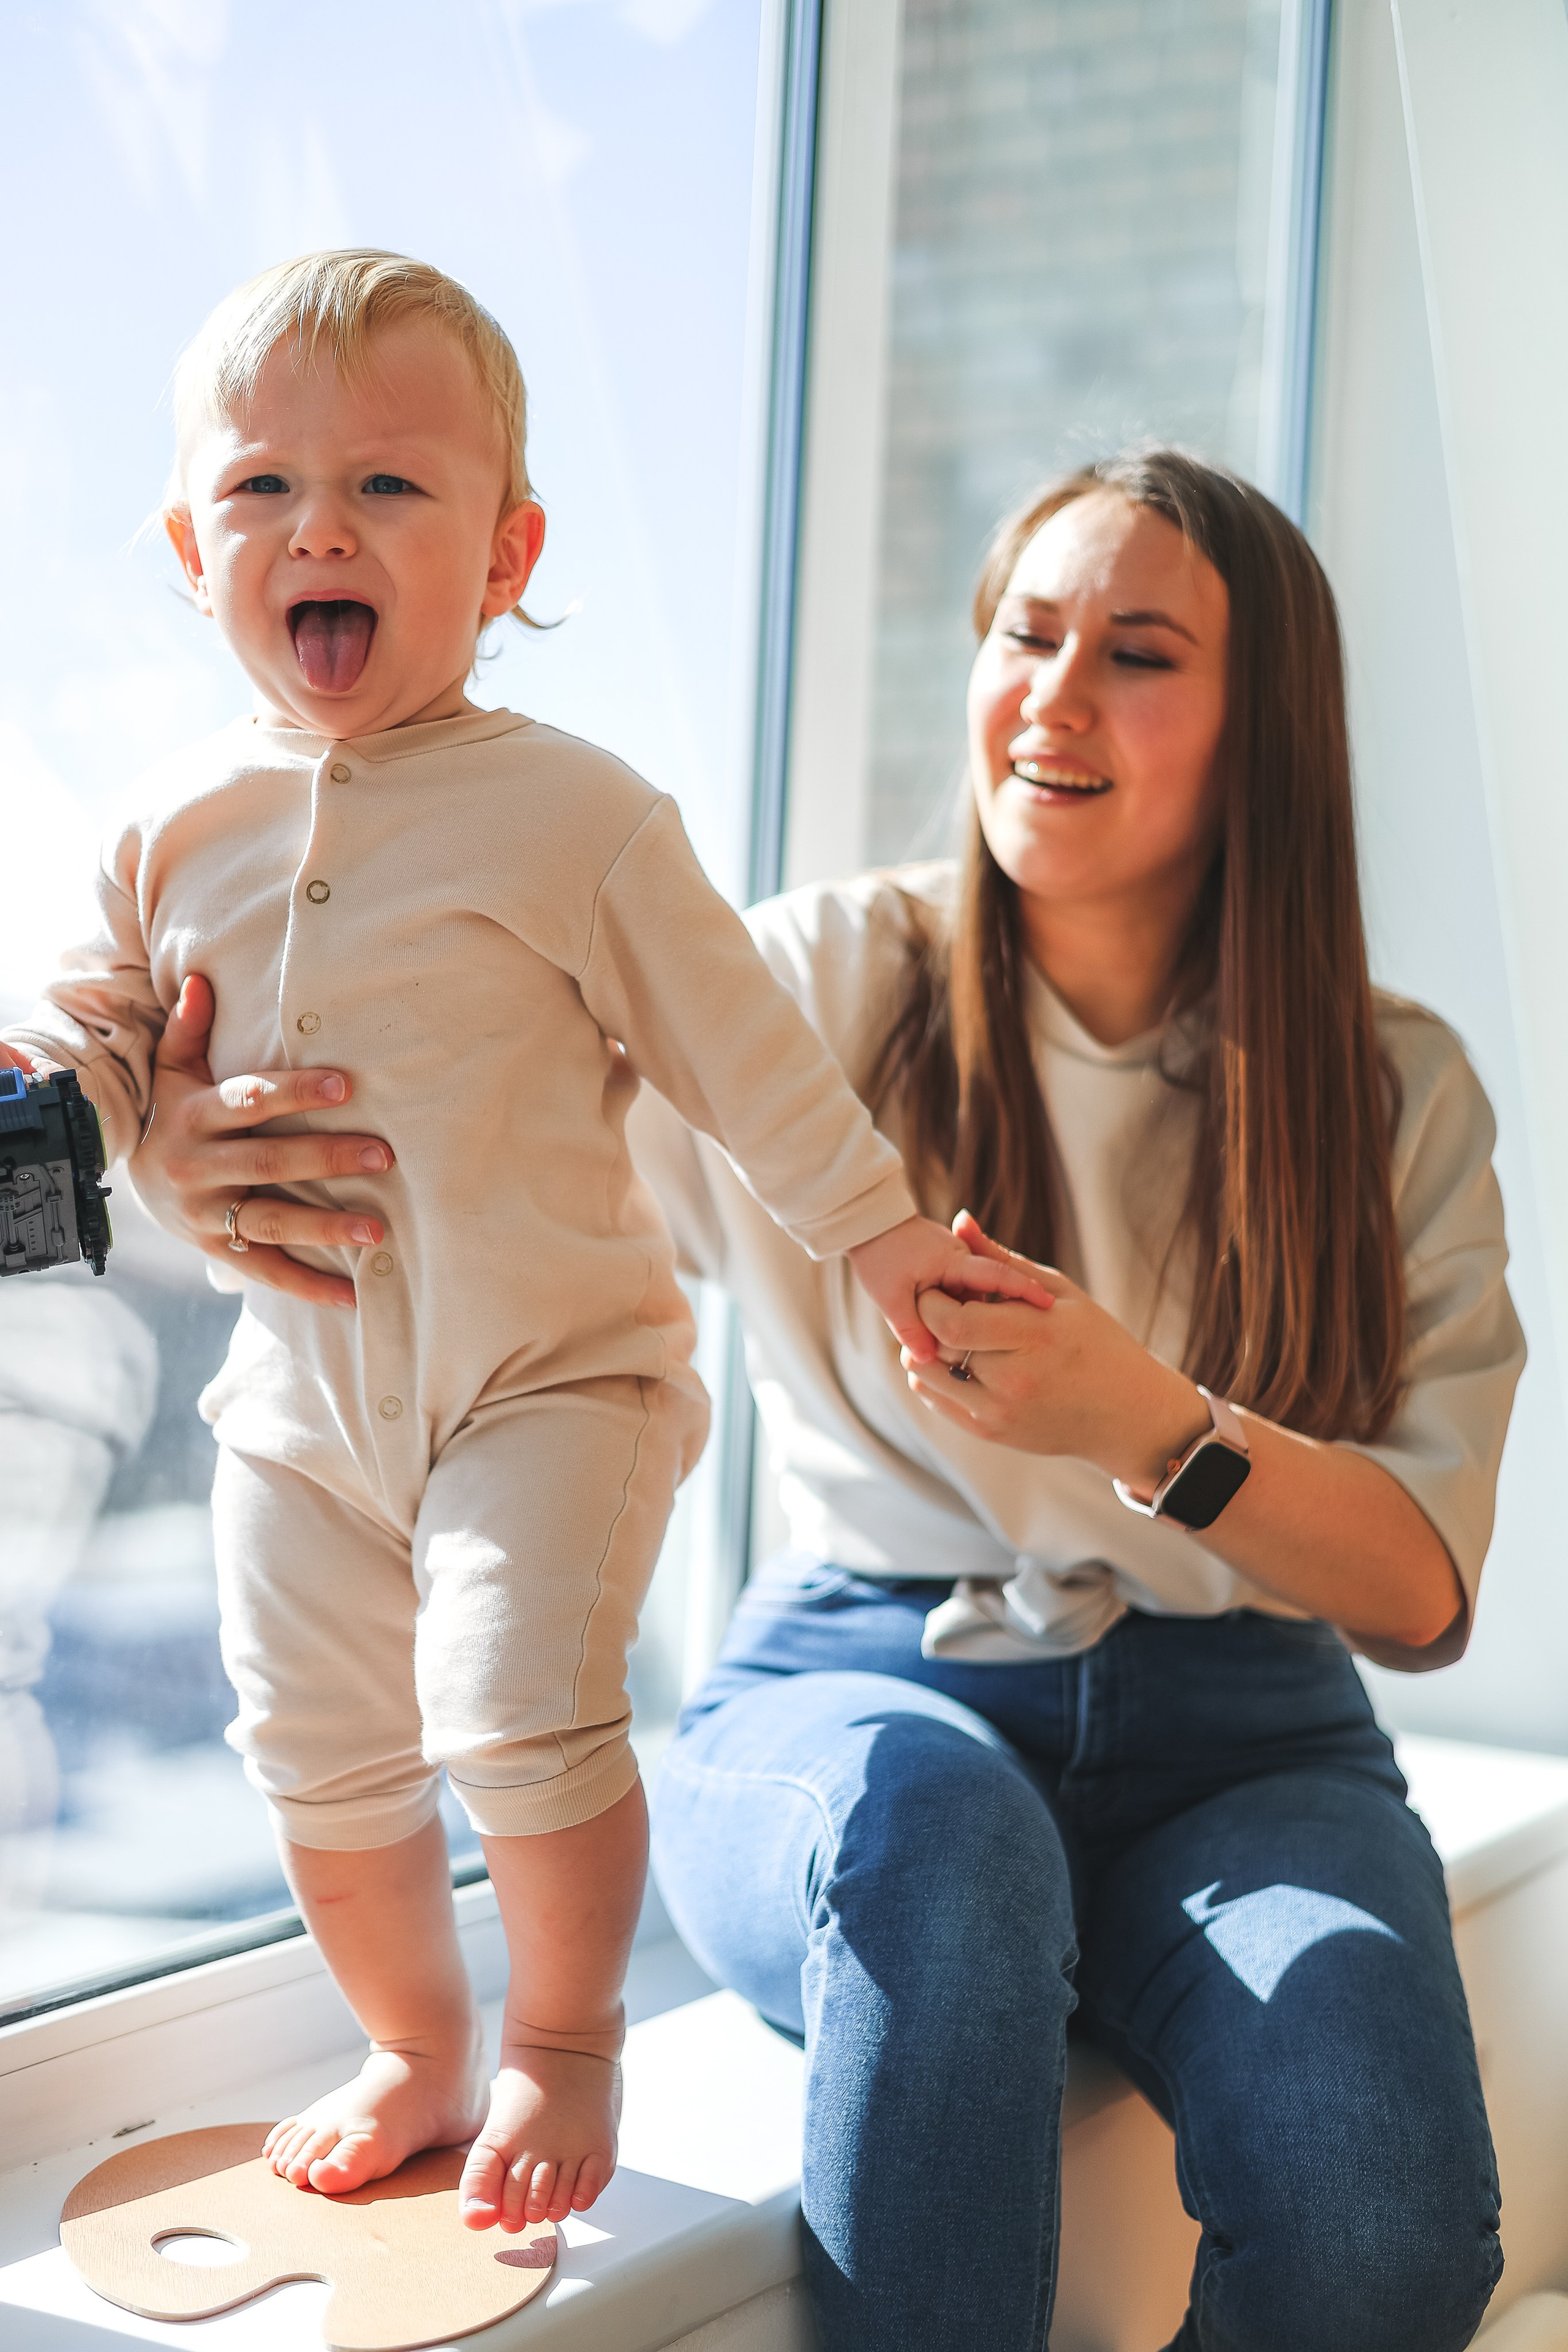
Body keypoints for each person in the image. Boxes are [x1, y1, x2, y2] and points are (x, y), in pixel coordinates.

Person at [134, 447, 1522, 2348]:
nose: (1055, 693)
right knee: (936, 1849)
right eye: (1025, 633)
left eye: (1137, 653)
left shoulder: (1392, 1089)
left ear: (1264, 732)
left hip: (1252, 1739)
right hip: (867, 1678)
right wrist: (186, 1158)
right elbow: (466, 1152)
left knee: (1379, 2220)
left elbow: (1422, 1584)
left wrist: (1148, 1422)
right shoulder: (813, 979)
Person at [0, 249, 1049, 2241]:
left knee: (512, 1704)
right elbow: (99, 1042)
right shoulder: (165, 828)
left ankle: (564, 2036)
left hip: (553, 1382)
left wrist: (883, 1239)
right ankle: (413, 2041)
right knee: (311, 1741)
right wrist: (59, 1094)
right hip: (297, 1408)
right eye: (262, 489)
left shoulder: (576, 816)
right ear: (193, 550)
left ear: (505, 555)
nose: (320, 527)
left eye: (388, 486)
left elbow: (747, 1062)